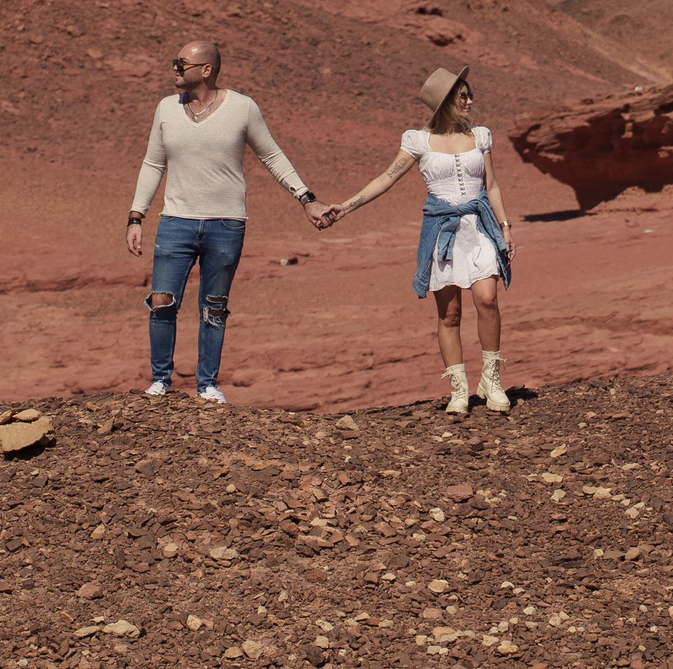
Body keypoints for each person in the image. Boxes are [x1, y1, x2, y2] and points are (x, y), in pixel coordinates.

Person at [126, 39, 322, 403]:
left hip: (226, 225)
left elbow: (272, 156)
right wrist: (136, 215)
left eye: (180, 63)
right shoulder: (166, 108)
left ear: (206, 70)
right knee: (162, 300)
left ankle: (207, 385)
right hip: (176, 222)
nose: (174, 69)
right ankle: (160, 380)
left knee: (214, 306)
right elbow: (153, 163)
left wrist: (305, 198)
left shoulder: (243, 108)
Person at [316, 65, 513, 417]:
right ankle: (459, 389)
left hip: (479, 226)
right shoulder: (418, 141)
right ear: (446, 102)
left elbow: (492, 185)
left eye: (470, 94)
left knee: (487, 299)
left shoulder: (480, 136)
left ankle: (491, 380)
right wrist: (345, 207)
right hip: (441, 231)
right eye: (463, 96)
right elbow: (386, 178)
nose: (470, 101)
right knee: (449, 313)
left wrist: (506, 227)